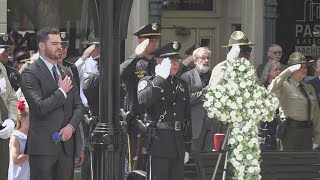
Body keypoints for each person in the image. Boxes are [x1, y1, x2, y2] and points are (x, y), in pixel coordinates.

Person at [20, 27, 84, 180]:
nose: (60, 47)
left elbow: (79, 106)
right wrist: (61, 92)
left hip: (66, 147)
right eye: (54, 43)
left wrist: (71, 126)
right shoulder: (30, 73)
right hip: (42, 147)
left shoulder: (66, 72)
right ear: (42, 46)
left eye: (60, 44)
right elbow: (40, 107)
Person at [137, 41, 192, 180]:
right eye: (171, 60)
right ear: (159, 61)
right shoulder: (149, 81)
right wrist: (160, 78)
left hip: (177, 144)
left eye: (177, 60)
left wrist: (187, 147)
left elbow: (187, 118)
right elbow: (143, 100)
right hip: (158, 144)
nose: (175, 64)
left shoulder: (182, 85)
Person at [120, 23, 161, 170]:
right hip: (137, 122)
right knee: (136, 166)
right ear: (141, 42)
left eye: (156, 40)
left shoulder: (159, 63)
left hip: (155, 121)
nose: (155, 43)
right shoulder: (135, 63)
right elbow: (120, 74)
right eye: (150, 40)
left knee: (154, 167)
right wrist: (136, 55)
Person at [268, 52, 320, 151]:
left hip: (307, 133)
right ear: (292, 69)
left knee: (306, 165)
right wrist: (287, 71)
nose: (304, 69)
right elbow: (272, 89)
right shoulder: (284, 86)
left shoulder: (309, 88)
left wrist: (318, 139)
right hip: (290, 132)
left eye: (305, 67)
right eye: (300, 67)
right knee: (289, 165)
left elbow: (316, 115)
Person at [57, 31, 85, 168]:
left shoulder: (71, 69)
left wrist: (80, 146)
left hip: (70, 122)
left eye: (65, 46)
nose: (62, 50)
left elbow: (77, 103)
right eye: (59, 46)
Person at [180, 47, 214, 151]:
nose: (206, 60)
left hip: (212, 124)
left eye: (208, 58)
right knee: (193, 157)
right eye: (202, 58)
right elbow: (186, 99)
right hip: (194, 124)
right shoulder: (186, 77)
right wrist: (205, 92)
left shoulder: (214, 75)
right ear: (195, 61)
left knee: (210, 158)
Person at [259, 60, 282, 151]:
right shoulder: (262, 87)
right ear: (268, 72)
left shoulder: (284, 86)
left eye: (280, 70)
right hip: (267, 123)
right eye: (276, 70)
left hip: (279, 123)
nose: (278, 72)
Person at [74, 32, 100, 108]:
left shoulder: (107, 64)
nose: (99, 49)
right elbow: (72, 72)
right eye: (97, 46)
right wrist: (84, 56)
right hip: (85, 109)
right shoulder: (84, 63)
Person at [8, 100, 29, 180]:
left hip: (29, 175)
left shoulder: (32, 135)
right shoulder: (16, 136)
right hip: (18, 176)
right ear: (21, 118)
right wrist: (31, 153)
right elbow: (15, 159)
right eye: (30, 119)